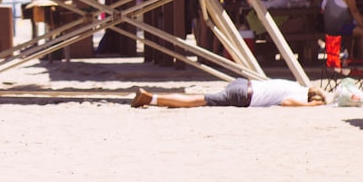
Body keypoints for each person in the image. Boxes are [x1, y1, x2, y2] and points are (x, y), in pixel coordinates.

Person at [130, 78, 329, 108]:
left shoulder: (297, 85)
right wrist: (310, 105)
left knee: (207, 97)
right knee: (198, 101)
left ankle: (152, 97)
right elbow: (286, 104)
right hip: (245, 95)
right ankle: (151, 97)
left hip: (244, 83)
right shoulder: (302, 97)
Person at [320, 0, 363, 64]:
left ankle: (351, 56)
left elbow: (322, 10)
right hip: (340, 27)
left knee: (352, 30)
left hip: (327, 27)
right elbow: (354, 12)